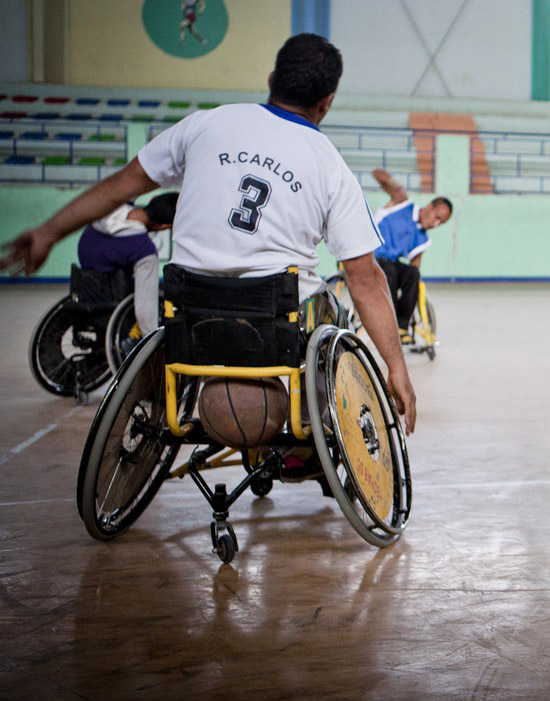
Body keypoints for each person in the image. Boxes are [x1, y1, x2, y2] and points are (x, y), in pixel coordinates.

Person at [1, 33, 416, 433]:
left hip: (191, 313)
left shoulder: (206, 124)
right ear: (327, 103)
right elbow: (364, 279)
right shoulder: (331, 165)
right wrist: (395, 366)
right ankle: (308, 440)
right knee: (334, 314)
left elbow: (120, 187)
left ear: (271, 81)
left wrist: (48, 231)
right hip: (274, 324)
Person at [76, 192, 178, 336]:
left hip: (87, 277)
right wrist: (152, 339)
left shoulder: (111, 207)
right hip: (113, 291)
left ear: (152, 199)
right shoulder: (144, 250)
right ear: (164, 226)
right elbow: (145, 307)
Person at [369, 168, 452, 336]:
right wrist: (389, 183)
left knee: (412, 274)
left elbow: (415, 267)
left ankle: (401, 325)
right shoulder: (402, 203)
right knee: (389, 270)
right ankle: (388, 320)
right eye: (436, 217)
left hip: (389, 265)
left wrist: (411, 287)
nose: (436, 224)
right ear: (429, 207)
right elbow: (381, 176)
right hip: (370, 255)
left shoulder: (422, 239)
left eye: (441, 223)